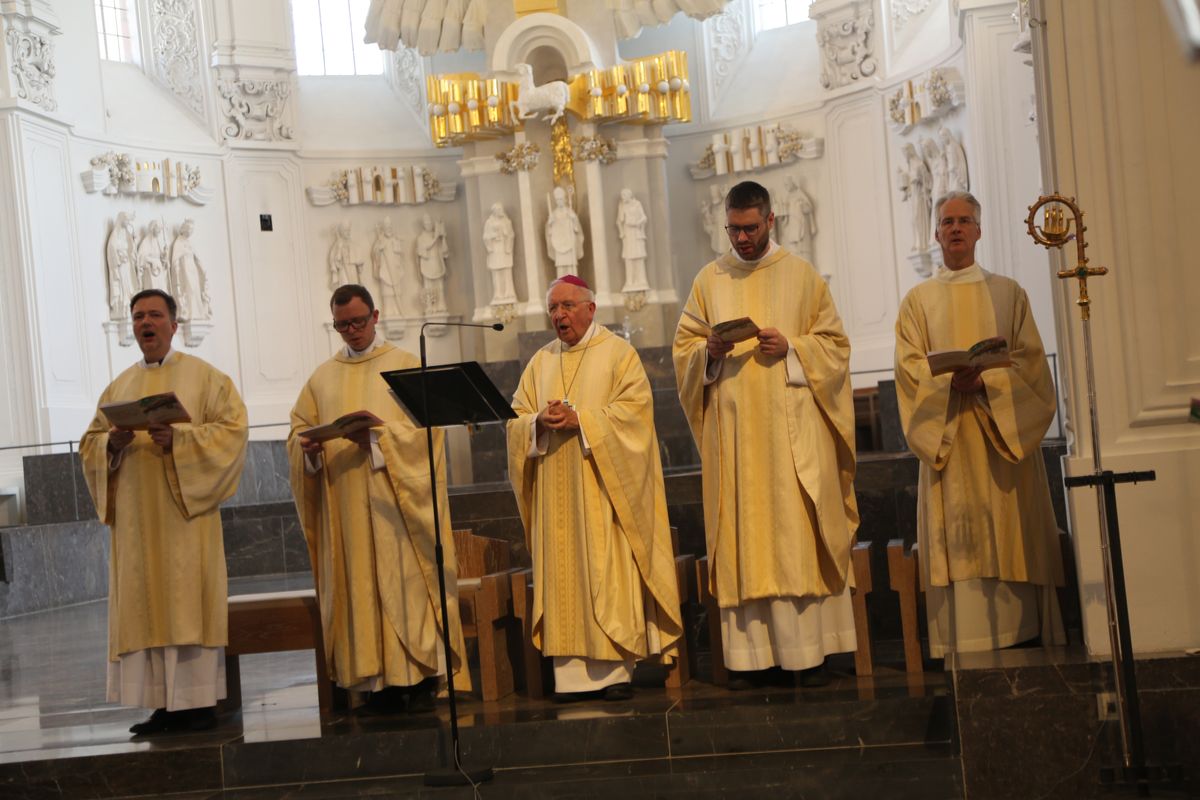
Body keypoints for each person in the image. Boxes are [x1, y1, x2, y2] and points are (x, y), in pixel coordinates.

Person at [673, 181, 859, 689]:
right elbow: (684, 353)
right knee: (745, 539)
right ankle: (751, 660)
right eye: (733, 229)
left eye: (750, 228)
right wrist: (709, 352)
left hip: (791, 437)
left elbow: (835, 347)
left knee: (794, 536)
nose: (742, 238)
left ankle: (808, 654)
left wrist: (793, 348)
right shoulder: (709, 281)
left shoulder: (801, 276)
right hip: (735, 443)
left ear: (771, 220)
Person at [894, 191, 1065, 658]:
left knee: (1010, 526)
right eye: (947, 221)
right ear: (935, 234)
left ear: (978, 230)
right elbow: (909, 372)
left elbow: (1032, 366)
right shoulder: (918, 302)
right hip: (949, 444)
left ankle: (1020, 628)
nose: (955, 228)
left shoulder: (1009, 293)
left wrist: (987, 381)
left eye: (964, 220)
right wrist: (949, 383)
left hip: (1002, 444)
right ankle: (962, 637)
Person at [287, 284, 469, 712]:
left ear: (376, 316)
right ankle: (373, 684)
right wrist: (306, 449)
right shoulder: (321, 378)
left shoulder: (404, 366)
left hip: (398, 510)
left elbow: (429, 435)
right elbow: (297, 432)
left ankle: (416, 678)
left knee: (404, 587)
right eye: (342, 325)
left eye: (358, 321)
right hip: (347, 512)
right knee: (361, 593)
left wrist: (377, 439)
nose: (351, 331)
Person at [79, 289, 248, 736]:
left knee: (185, 603)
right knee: (147, 606)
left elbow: (232, 433)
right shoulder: (119, 388)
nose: (145, 323)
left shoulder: (206, 378)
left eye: (154, 315)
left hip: (184, 522)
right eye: (138, 317)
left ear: (174, 325)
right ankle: (161, 704)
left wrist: (182, 440)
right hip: (136, 525)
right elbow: (90, 443)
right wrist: (110, 444)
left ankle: (196, 704)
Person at [507, 275, 683, 700]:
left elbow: (636, 414)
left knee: (605, 574)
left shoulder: (619, 355)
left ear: (591, 308)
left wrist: (582, 421)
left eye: (567, 306)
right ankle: (568, 679)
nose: (559, 315)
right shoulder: (540, 362)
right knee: (564, 581)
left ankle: (614, 674)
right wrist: (536, 423)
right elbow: (515, 419)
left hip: (604, 495)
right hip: (555, 500)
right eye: (553, 308)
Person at [170, 219, 211, 321]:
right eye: (189, 229)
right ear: (184, 229)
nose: (191, 232)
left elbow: (197, 258)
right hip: (184, 270)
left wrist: (202, 269)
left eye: (192, 230)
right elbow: (175, 259)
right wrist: (176, 270)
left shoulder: (190, 243)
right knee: (189, 289)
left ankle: (197, 313)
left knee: (195, 289)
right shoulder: (178, 242)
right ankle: (188, 313)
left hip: (192, 268)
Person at [544, 186, 584, 279]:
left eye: (561, 199)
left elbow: (577, 229)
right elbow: (549, 232)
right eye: (558, 200)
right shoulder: (553, 214)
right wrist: (550, 224)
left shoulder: (570, 212)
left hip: (569, 243)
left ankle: (573, 284)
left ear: (565, 199)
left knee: (571, 267)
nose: (559, 201)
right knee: (561, 268)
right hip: (558, 244)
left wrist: (574, 220)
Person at [616, 189, 650, 292]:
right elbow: (619, 221)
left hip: (637, 233)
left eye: (624, 195)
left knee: (639, 256)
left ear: (629, 195)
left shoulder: (637, 204)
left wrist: (637, 223)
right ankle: (630, 281)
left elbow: (644, 217)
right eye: (622, 196)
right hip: (628, 234)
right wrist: (622, 232)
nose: (623, 198)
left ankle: (642, 280)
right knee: (629, 257)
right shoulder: (622, 206)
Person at [483, 202, 517, 305]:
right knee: (496, 272)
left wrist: (506, 235)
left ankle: (508, 293)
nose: (501, 211)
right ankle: (498, 294)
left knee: (506, 271)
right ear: (494, 211)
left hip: (504, 248)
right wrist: (492, 236)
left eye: (501, 209)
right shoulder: (489, 223)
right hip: (495, 250)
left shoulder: (507, 222)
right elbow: (485, 236)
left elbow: (511, 234)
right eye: (498, 210)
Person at [414, 213, 448, 313]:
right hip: (427, 265)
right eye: (426, 223)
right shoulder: (421, 238)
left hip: (437, 263)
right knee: (428, 286)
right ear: (423, 225)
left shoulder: (436, 235)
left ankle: (441, 304)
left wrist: (443, 237)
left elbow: (444, 250)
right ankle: (429, 305)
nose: (428, 224)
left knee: (440, 286)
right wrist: (435, 238)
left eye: (429, 222)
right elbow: (424, 248)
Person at [370, 217, 403, 318]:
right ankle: (389, 310)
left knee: (397, 291)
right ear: (383, 229)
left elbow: (400, 253)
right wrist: (379, 249)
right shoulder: (380, 241)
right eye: (387, 227)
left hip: (395, 269)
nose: (389, 229)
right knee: (387, 291)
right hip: (385, 270)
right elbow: (375, 254)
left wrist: (397, 249)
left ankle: (398, 309)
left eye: (390, 227)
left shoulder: (395, 240)